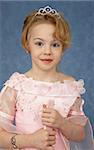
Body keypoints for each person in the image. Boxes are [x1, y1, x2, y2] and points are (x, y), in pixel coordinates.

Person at [0, 5, 93, 150]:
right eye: (39, 43)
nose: (47, 51)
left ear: (63, 48)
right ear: (27, 45)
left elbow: (80, 134)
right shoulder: (16, 87)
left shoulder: (69, 87)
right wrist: (29, 140)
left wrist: (62, 123)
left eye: (55, 44)